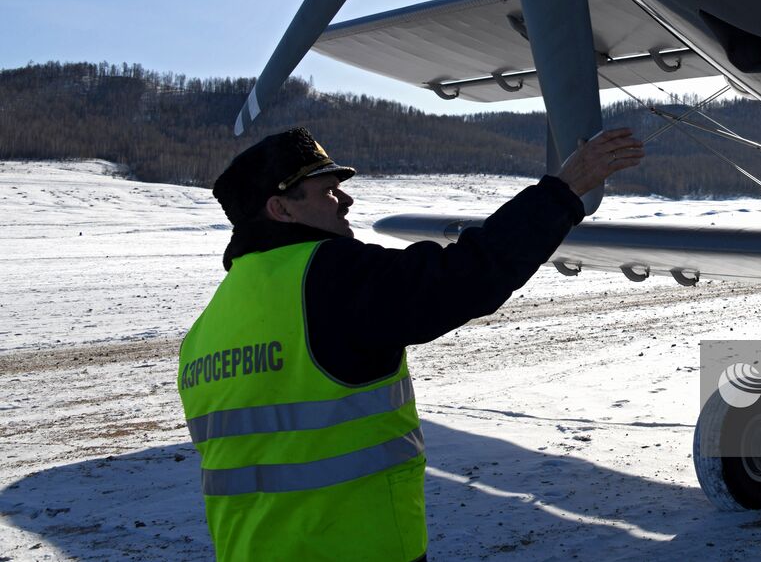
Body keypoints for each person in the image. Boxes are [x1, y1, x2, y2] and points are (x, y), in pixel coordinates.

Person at [178, 126, 643, 561]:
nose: (346, 199)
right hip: (353, 548)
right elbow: (467, 275)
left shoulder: (209, 325)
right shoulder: (327, 275)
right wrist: (563, 189)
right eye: (327, 191)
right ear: (281, 210)